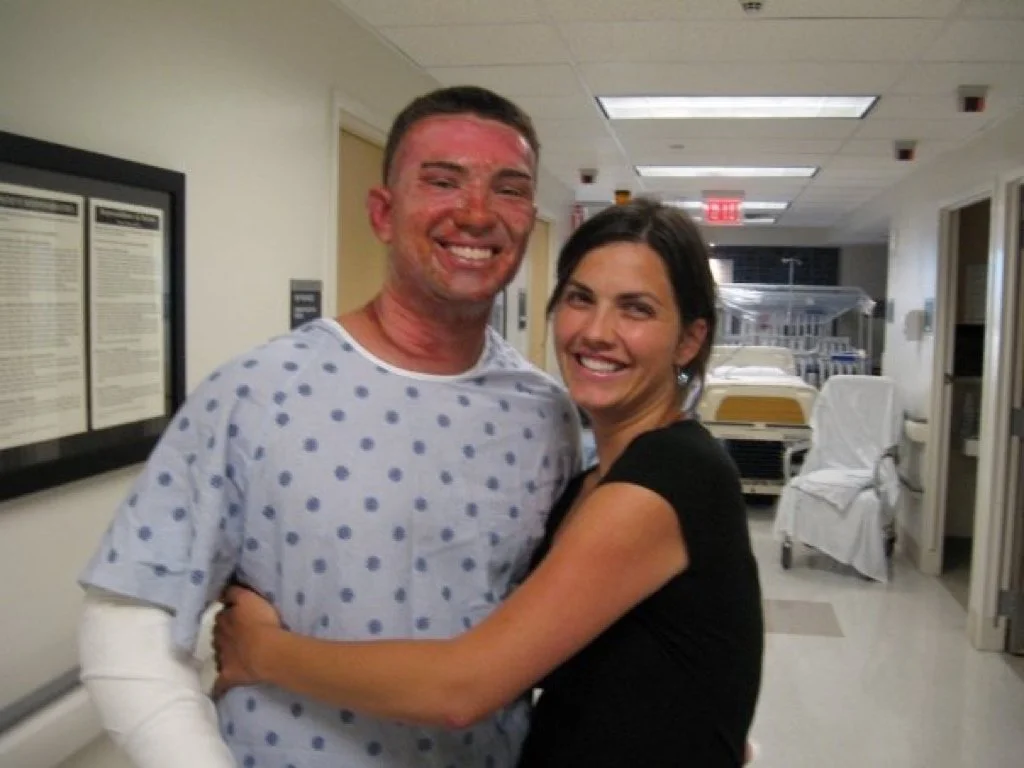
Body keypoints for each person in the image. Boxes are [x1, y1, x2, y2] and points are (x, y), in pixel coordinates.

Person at [76, 85, 582, 768]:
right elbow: (130, 617)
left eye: (510, 189)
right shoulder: (257, 392)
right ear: (382, 211)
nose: (476, 213)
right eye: (442, 181)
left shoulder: (547, 416)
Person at [213, 198, 765, 767]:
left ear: (689, 340)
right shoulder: (590, 481)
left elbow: (463, 689)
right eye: (580, 299)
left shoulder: (671, 477)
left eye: (636, 309)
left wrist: (261, 651)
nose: (597, 332)